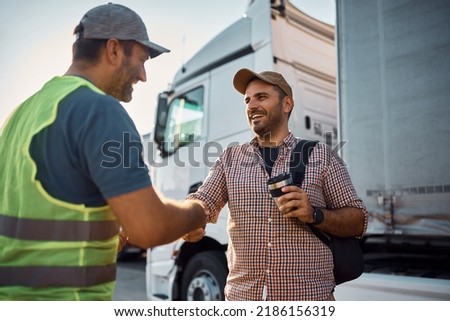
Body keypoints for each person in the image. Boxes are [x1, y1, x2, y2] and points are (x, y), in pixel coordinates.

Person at [0, 3, 205, 300]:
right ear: (113, 50)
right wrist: (195, 213)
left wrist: (107, 233)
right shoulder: (99, 110)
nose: (144, 75)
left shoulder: (21, 114)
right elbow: (150, 227)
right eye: (142, 60)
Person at [184, 68, 368, 301]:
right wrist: (188, 219)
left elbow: (359, 219)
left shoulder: (322, 156)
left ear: (286, 104)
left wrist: (315, 214)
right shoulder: (230, 159)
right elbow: (204, 201)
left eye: (261, 97)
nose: (251, 106)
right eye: (247, 100)